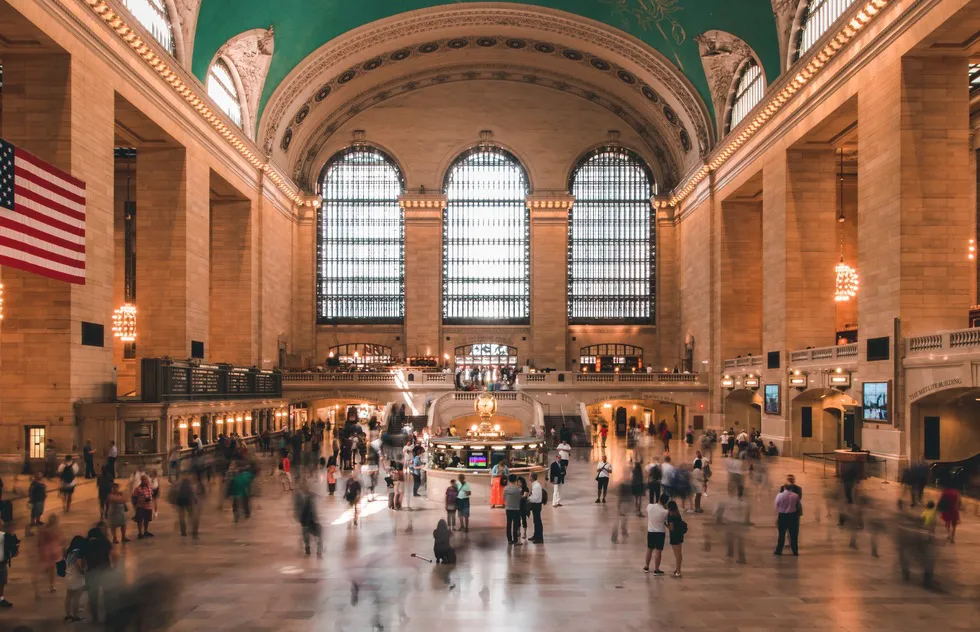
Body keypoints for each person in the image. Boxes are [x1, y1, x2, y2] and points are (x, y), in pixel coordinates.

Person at [83, 524, 113, 623]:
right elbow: (114, 555)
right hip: (104, 570)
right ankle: (108, 616)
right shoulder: (105, 542)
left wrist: (83, 570)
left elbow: (81, 559)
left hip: (91, 572)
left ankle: (95, 617)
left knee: (93, 596)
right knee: (107, 594)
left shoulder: (86, 542)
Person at [715, 488, 751, 563]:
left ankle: (730, 552)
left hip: (731, 523)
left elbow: (721, 507)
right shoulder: (745, 504)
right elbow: (747, 516)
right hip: (741, 524)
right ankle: (741, 558)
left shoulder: (731, 501)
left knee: (729, 539)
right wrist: (747, 523)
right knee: (740, 542)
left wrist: (719, 520)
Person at [34, 514, 62, 598]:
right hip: (50, 551)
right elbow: (58, 539)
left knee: (47, 569)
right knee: (50, 569)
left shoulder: (45, 529)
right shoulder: (51, 529)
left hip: (48, 552)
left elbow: (40, 541)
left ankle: (43, 589)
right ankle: (50, 586)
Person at [294, 483, 322, 558]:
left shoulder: (310, 495)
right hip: (304, 519)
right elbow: (297, 507)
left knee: (317, 533)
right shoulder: (299, 496)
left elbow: (314, 503)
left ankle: (318, 550)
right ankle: (307, 546)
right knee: (306, 534)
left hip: (312, 518)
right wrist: (297, 516)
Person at [643, 494, 669, 575]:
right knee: (658, 551)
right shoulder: (665, 512)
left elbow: (647, 511)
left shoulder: (650, 506)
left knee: (649, 549)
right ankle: (656, 569)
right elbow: (666, 521)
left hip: (650, 531)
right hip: (660, 532)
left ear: (659, 498)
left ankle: (646, 566)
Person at [63, 536, 87, 622]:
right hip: (76, 577)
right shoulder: (78, 553)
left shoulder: (68, 552)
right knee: (77, 597)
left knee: (69, 596)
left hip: (68, 575)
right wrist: (83, 572)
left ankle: (68, 615)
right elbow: (78, 564)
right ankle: (75, 615)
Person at [774, 484, 801, 556]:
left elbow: (776, 505)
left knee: (781, 534)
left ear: (784, 488)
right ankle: (795, 551)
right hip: (793, 516)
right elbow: (798, 506)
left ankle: (779, 551)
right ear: (791, 488)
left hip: (782, 516)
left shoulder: (780, 495)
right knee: (793, 535)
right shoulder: (796, 496)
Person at [173, 473, 199, 538]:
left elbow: (174, 492)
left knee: (181, 517)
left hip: (180, 502)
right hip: (188, 502)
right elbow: (193, 492)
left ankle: (183, 531)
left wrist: (174, 502)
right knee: (193, 516)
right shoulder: (190, 483)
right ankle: (194, 532)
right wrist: (195, 500)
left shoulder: (178, 483)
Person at [666, 500, 686, 577]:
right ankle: (678, 569)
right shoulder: (678, 514)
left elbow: (671, 528)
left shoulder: (670, 515)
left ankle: (678, 571)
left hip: (674, 536)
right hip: (680, 535)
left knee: (677, 555)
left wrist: (665, 525)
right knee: (679, 554)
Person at [132, 474, 155, 539]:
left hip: (149, 506)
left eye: (146, 479)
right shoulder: (138, 488)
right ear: (142, 480)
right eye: (144, 480)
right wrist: (135, 505)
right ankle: (140, 532)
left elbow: (152, 494)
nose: (146, 481)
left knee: (147, 519)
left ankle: (146, 531)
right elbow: (134, 497)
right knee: (139, 520)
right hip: (141, 506)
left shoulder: (149, 487)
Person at [503, 474, 523, 545]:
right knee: (515, 524)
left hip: (508, 508)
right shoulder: (518, 489)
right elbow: (520, 498)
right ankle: (515, 540)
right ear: (516, 480)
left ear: (509, 480)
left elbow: (504, 498)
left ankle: (509, 540)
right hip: (516, 509)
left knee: (508, 524)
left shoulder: (505, 488)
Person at [528, 472, 544, 543]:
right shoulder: (534, 485)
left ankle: (539, 538)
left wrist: (528, 499)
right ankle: (536, 535)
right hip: (535, 505)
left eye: (529, 476)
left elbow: (535, 497)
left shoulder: (536, 486)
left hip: (536, 505)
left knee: (537, 522)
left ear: (532, 477)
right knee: (535, 521)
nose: (528, 477)